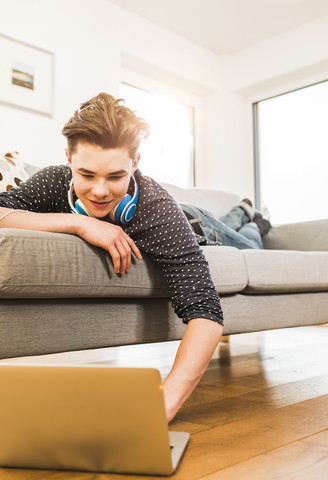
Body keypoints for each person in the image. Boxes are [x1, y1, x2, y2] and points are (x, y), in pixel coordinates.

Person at [0, 92, 224, 423]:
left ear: (135, 164)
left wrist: (161, 408)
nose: (100, 191)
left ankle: (248, 217)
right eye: (87, 175)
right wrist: (80, 222)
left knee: (247, 235)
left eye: (116, 176)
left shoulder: (157, 208)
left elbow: (206, 311)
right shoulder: (52, 181)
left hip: (201, 224)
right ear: (69, 159)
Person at [180, 199, 271, 250]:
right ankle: (244, 211)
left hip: (192, 220)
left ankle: (253, 224)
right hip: (190, 216)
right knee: (226, 230)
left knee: (254, 250)